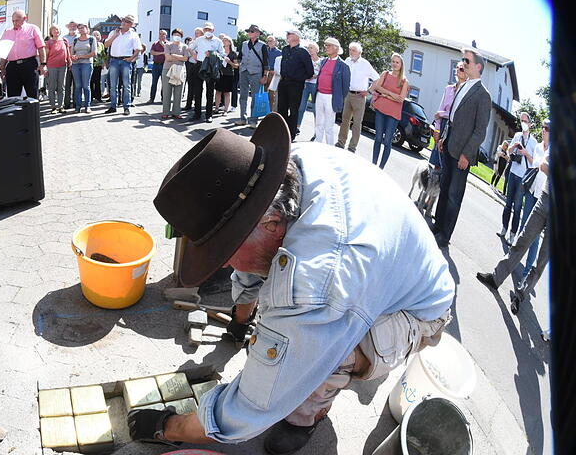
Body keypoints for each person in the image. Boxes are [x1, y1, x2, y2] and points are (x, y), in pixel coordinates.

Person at [129, 114, 454, 454]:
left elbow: (251, 406)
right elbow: (250, 261)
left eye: (224, 251)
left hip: (416, 308)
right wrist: (241, 323)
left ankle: (305, 419)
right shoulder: (274, 176)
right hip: (379, 266)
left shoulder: (316, 284)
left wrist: (170, 426)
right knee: (268, 279)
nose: (223, 263)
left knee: (321, 358)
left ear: (270, 223)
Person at [477, 139, 550, 315]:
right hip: (545, 201)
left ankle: (520, 294)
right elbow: (544, 165)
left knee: (541, 261)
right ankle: (496, 278)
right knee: (522, 242)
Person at [432, 47, 492, 248]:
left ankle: (445, 236)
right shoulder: (462, 86)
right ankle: (437, 226)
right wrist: (444, 137)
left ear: (478, 66)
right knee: (445, 188)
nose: (463, 64)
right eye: (462, 60)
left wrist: (467, 154)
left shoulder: (483, 95)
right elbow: (453, 117)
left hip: (462, 155)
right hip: (449, 145)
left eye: (466, 61)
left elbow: (480, 131)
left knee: (454, 196)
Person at [499, 111, 538, 245]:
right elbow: (508, 152)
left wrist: (526, 153)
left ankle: (512, 234)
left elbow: (535, 163)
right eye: (521, 121)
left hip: (523, 178)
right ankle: (504, 228)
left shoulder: (534, 142)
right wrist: (513, 147)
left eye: (525, 121)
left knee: (517, 207)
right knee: (508, 203)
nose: (523, 124)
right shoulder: (517, 135)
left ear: (530, 124)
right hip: (513, 172)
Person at [519, 119, 550, 279]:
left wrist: (543, 165)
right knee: (524, 227)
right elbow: (536, 165)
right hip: (532, 191)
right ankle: (514, 260)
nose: (544, 130)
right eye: (543, 128)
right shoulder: (538, 147)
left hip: (543, 196)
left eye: (547, 128)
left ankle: (526, 272)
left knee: (535, 237)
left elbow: (544, 168)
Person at [336, 42, 379, 152]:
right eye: (350, 49)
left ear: (359, 52)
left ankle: (352, 147)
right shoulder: (347, 61)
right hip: (348, 94)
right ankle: (341, 142)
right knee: (345, 120)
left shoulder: (365, 64)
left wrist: (369, 91)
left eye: (353, 50)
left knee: (357, 123)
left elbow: (377, 78)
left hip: (359, 97)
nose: (351, 52)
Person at [370, 53, 409, 168]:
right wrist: (391, 94)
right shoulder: (385, 74)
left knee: (387, 141)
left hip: (393, 114)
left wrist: (385, 94)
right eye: (393, 61)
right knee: (378, 138)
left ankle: (381, 167)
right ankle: (373, 165)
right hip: (381, 109)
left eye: (397, 62)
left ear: (401, 64)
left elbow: (401, 99)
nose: (395, 64)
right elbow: (377, 87)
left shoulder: (404, 81)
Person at [276, 29, 314, 141]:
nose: (287, 35)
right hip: (283, 82)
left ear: (297, 37)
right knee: (281, 108)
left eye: (289, 34)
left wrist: (299, 77)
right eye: (287, 34)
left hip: (296, 85)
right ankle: (281, 132)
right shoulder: (285, 49)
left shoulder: (303, 52)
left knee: (293, 110)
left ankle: (290, 135)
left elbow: (310, 71)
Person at [1, 9, 46, 99]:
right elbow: (4, 52)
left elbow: (41, 47)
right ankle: (16, 113)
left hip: (29, 65)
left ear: (25, 18)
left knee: (32, 94)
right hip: (12, 66)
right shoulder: (7, 32)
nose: (14, 23)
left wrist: (43, 64)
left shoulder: (33, 29)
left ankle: (33, 113)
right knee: (13, 97)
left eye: (17, 20)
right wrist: (2, 68)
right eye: (13, 21)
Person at [430, 62, 468, 168]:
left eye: (462, 69)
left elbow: (457, 114)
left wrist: (442, 114)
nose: (458, 69)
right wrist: (437, 130)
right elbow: (439, 110)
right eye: (457, 67)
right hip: (442, 125)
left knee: (446, 163)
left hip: (454, 129)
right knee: (436, 162)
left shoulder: (466, 93)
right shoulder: (448, 89)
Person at [313, 37, 350, 145]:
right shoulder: (324, 61)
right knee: (319, 122)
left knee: (329, 125)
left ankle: (329, 146)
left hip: (331, 97)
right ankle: (318, 142)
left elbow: (345, 87)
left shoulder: (343, 66)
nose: (326, 47)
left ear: (336, 48)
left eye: (329, 46)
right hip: (320, 94)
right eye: (326, 45)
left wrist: (338, 98)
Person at [104, 14, 142, 115]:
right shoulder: (113, 32)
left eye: (128, 22)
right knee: (113, 85)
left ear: (131, 24)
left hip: (126, 61)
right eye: (124, 21)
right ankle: (113, 106)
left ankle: (126, 107)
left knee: (126, 85)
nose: (125, 23)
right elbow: (106, 45)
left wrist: (131, 58)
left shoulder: (133, 34)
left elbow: (138, 49)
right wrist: (115, 36)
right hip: (114, 60)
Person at [190, 22, 225, 123]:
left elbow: (222, 54)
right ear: (203, 30)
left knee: (210, 92)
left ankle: (208, 115)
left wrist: (213, 54)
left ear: (213, 30)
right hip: (199, 65)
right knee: (197, 91)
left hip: (211, 67)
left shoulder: (218, 41)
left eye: (209, 29)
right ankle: (197, 114)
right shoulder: (199, 39)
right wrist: (194, 56)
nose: (207, 31)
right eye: (205, 29)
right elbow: (190, 48)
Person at [237, 24, 270, 127]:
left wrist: (265, 75)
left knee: (255, 97)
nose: (249, 33)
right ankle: (243, 118)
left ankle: (253, 121)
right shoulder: (244, 44)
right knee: (243, 96)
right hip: (244, 71)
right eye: (249, 31)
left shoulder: (263, 45)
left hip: (256, 73)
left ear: (257, 34)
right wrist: (238, 63)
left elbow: (266, 62)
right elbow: (240, 57)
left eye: (251, 31)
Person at [160, 28, 189, 120]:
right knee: (166, 92)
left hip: (180, 70)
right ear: (172, 36)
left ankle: (176, 112)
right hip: (167, 69)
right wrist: (180, 57)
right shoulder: (168, 45)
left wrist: (174, 55)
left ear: (181, 36)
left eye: (179, 35)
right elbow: (168, 58)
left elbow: (185, 59)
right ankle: (166, 112)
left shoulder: (184, 46)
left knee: (178, 92)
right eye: (175, 34)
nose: (177, 36)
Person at [70, 23, 97, 113]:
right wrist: (73, 57)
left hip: (87, 64)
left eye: (83, 28)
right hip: (75, 65)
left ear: (87, 29)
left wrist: (81, 57)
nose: (81, 29)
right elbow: (72, 53)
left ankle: (87, 106)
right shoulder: (75, 40)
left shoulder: (91, 39)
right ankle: (77, 106)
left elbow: (94, 53)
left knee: (86, 86)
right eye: (79, 28)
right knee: (77, 86)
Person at [44, 25, 71, 113]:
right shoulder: (49, 42)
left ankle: (60, 106)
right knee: (52, 87)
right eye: (54, 30)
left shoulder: (64, 41)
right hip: (51, 66)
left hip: (63, 66)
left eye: (57, 29)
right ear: (51, 32)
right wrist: (44, 66)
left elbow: (67, 53)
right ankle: (53, 106)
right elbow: (46, 55)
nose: (56, 31)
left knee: (61, 86)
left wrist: (69, 61)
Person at [296, 41, 320, 134]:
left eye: (311, 47)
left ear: (316, 50)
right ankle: (297, 127)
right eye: (308, 47)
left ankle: (317, 131)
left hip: (315, 86)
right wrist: (307, 76)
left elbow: (322, 73)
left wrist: (315, 75)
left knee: (315, 109)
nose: (309, 49)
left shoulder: (321, 61)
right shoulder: (305, 59)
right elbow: (301, 71)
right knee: (301, 107)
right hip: (305, 84)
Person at [213, 36, 239, 116]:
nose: (224, 41)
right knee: (218, 91)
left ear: (230, 42)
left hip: (229, 75)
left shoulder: (233, 53)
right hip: (219, 73)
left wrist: (229, 62)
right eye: (223, 40)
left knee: (226, 93)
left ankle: (225, 110)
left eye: (226, 40)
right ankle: (216, 108)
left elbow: (236, 66)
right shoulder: (220, 51)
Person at [184, 28, 204, 112]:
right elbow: (188, 52)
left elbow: (200, 54)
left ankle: (197, 105)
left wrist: (193, 52)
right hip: (190, 65)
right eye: (195, 33)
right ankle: (188, 104)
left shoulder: (203, 43)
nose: (196, 34)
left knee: (198, 87)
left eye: (198, 33)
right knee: (190, 85)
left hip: (199, 65)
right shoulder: (192, 42)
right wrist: (192, 52)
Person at [62, 21, 78, 110]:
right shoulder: (64, 38)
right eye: (70, 26)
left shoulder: (79, 37)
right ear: (68, 27)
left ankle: (76, 102)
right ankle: (67, 103)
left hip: (77, 63)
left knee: (76, 85)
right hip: (67, 63)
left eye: (74, 26)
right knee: (67, 84)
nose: (72, 27)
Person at [149, 30, 168, 104]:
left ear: (166, 35)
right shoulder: (155, 44)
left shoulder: (168, 44)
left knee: (164, 83)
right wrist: (162, 53)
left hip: (164, 65)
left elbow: (168, 53)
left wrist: (163, 46)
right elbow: (152, 52)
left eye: (163, 34)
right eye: (160, 34)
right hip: (156, 65)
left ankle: (163, 99)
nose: (161, 36)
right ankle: (152, 98)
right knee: (154, 83)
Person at [266, 35, 282, 112]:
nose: (269, 42)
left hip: (274, 74)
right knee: (265, 92)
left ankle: (271, 110)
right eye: (268, 41)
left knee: (272, 93)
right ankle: (264, 110)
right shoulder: (265, 51)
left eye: (271, 40)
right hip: (265, 74)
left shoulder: (279, 52)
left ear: (275, 42)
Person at [90, 31, 106, 103]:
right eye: (94, 35)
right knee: (90, 82)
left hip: (98, 66)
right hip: (90, 65)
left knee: (97, 82)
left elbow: (103, 55)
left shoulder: (101, 45)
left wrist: (104, 64)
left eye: (97, 35)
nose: (96, 36)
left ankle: (98, 97)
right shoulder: (89, 44)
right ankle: (90, 97)